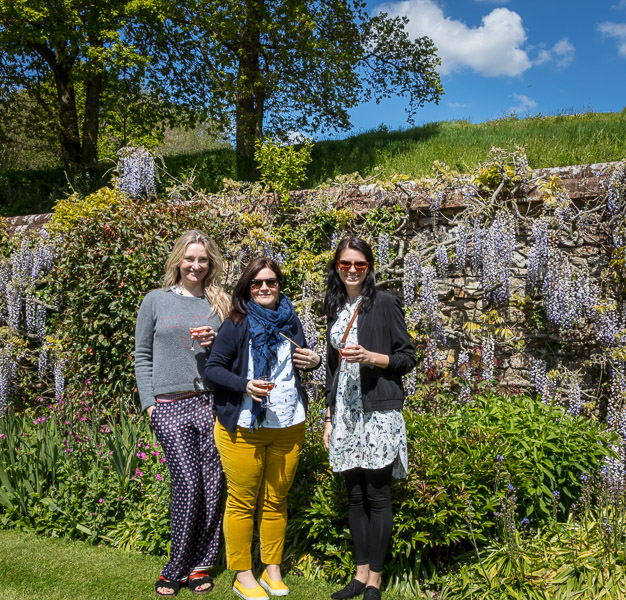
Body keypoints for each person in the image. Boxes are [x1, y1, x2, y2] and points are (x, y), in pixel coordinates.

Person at [205, 257, 320, 600]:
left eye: (271, 282)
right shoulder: (237, 322)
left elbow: (301, 360)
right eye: (257, 284)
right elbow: (213, 370)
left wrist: (314, 361)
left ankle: (272, 569)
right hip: (244, 425)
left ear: (279, 284)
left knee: (276, 501)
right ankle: (243, 574)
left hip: (288, 423)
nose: (265, 288)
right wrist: (244, 385)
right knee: (242, 502)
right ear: (247, 288)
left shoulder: (290, 318)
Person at [135, 230, 230, 597]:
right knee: (188, 484)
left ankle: (201, 564)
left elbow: (233, 356)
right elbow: (142, 355)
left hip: (210, 402)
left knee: (212, 485)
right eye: (189, 259)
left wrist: (216, 341)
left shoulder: (218, 302)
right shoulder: (155, 301)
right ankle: (175, 565)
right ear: (178, 260)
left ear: (211, 264)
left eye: (202, 259)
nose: (196, 265)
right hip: (170, 405)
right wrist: (150, 405)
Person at [322, 236, 416, 600]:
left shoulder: (386, 303)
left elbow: (407, 357)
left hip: (378, 411)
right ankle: (359, 576)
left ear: (369, 267)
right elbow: (332, 368)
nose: (351, 270)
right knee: (355, 496)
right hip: (345, 413)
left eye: (359, 264)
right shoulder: (334, 307)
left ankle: (375, 580)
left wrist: (373, 357)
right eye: (345, 263)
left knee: (378, 494)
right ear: (337, 267)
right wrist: (328, 417)